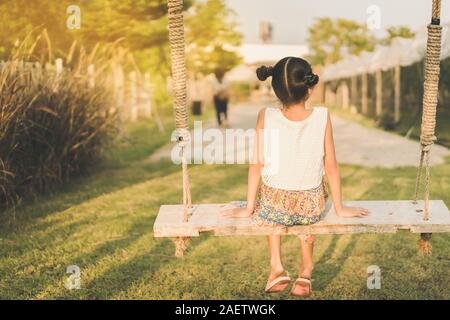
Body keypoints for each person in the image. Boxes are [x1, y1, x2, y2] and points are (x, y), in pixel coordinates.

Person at [221, 57, 370, 297]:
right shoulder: (322, 116)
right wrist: (340, 208)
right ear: (309, 88)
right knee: (304, 192)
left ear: (275, 88)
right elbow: (330, 164)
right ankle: (306, 269)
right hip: (311, 206)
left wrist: (249, 208)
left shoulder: (265, 115)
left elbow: (257, 164)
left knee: (269, 191)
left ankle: (277, 266)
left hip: (273, 206)